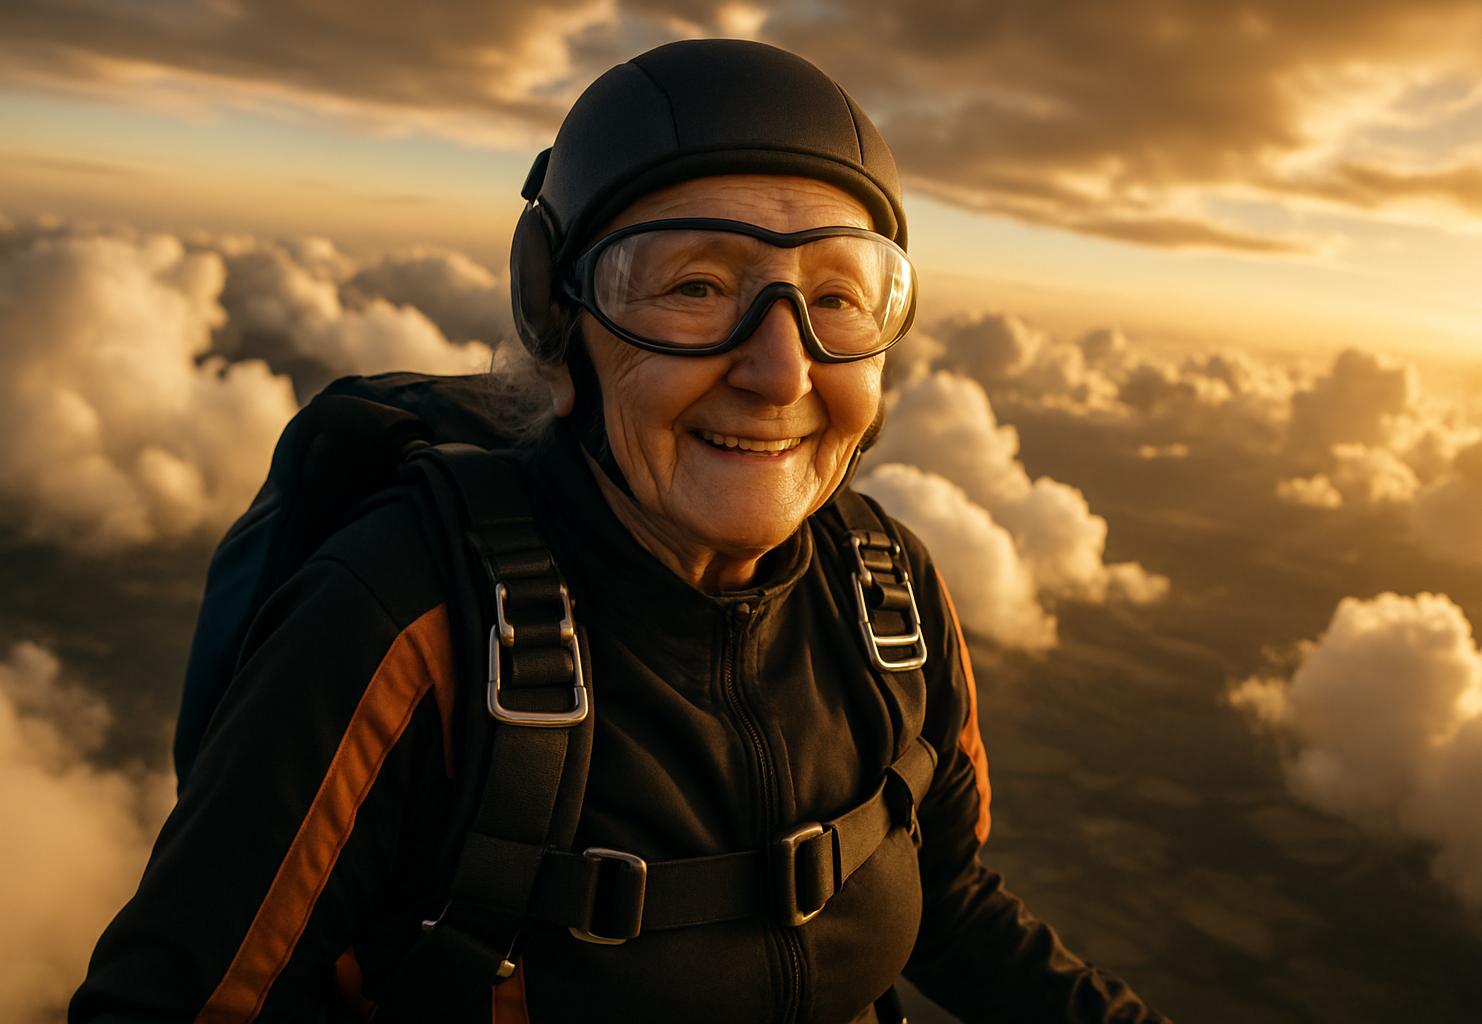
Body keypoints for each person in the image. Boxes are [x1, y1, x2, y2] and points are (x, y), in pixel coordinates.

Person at [71, 39, 1171, 1024]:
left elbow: (950, 902)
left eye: (840, 297)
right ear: (561, 326)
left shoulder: (893, 599)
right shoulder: (409, 622)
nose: (780, 368)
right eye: (696, 285)